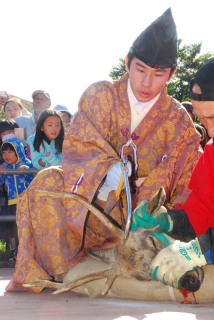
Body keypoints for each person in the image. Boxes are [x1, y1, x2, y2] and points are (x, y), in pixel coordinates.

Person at [6, 8, 201, 292]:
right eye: (140, 70)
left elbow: (185, 177)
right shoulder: (100, 95)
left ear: (170, 74)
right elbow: (80, 143)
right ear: (127, 63)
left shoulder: (178, 121)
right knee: (46, 180)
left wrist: (153, 203)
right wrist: (108, 171)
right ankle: (59, 272)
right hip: (90, 204)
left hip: (139, 221)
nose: (147, 83)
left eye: (158, 74)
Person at [130, 58, 214, 289]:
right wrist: (169, 222)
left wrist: (202, 249)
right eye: (202, 119)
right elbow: (204, 212)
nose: (210, 129)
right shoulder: (212, 152)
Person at [0, 136, 34, 262]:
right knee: (13, 227)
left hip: (26, 202)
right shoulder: (5, 167)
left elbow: (34, 179)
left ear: (18, 151)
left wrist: (27, 170)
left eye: (10, 151)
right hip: (12, 202)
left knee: (25, 227)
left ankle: (28, 250)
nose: (6, 155)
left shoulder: (26, 164)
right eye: (4, 152)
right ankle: (14, 251)